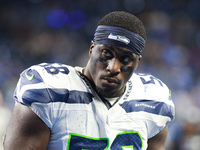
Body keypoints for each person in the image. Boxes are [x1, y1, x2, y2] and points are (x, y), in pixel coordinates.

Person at [3, 11, 175, 150]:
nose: (113, 68)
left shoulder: (154, 101)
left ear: (137, 63)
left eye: (125, 59)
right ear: (92, 49)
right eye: (106, 53)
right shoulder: (49, 90)